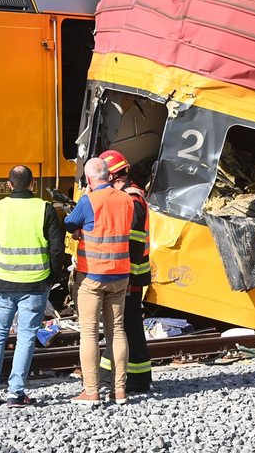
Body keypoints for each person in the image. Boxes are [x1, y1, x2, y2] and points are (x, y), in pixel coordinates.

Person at [0, 165, 64, 408]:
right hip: (35, 282)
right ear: (32, 184)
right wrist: (53, 277)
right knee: (26, 335)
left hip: (3, 280)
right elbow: (57, 248)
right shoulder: (44, 208)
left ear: (9, 184)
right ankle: (16, 393)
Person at [65, 157, 133, 405]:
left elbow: (69, 223)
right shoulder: (126, 199)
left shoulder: (89, 200)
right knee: (117, 331)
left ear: (88, 179)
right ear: (109, 175)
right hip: (120, 274)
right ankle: (119, 390)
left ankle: (92, 391)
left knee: (90, 334)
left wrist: (80, 226)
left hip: (92, 276)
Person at [97, 150, 153, 393]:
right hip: (128, 274)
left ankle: (130, 379)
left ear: (111, 176)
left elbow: (135, 241)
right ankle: (120, 377)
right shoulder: (128, 196)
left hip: (130, 275)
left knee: (125, 325)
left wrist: (126, 276)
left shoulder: (132, 199)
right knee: (124, 325)